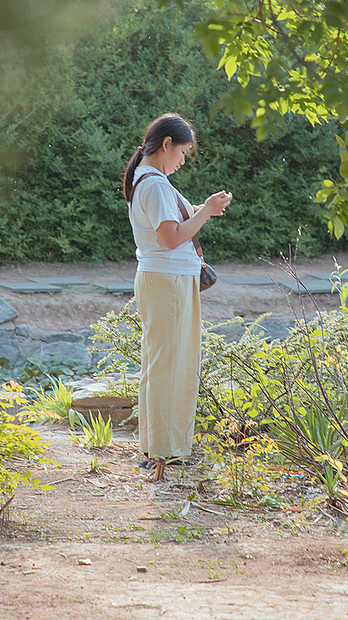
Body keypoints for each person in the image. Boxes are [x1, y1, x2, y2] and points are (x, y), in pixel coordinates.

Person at [123, 113, 232, 479]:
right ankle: (166, 452)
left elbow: (172, 231)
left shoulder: (150, 180)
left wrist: (203, 209)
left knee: (163, 365)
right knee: (171, 366)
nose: (182, 161)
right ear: (166, 144)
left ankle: (158, 449)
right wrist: (207, 212)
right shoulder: (153, 184)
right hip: (166, 281)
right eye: (182, 152)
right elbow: (171, 238)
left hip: (167, 280)